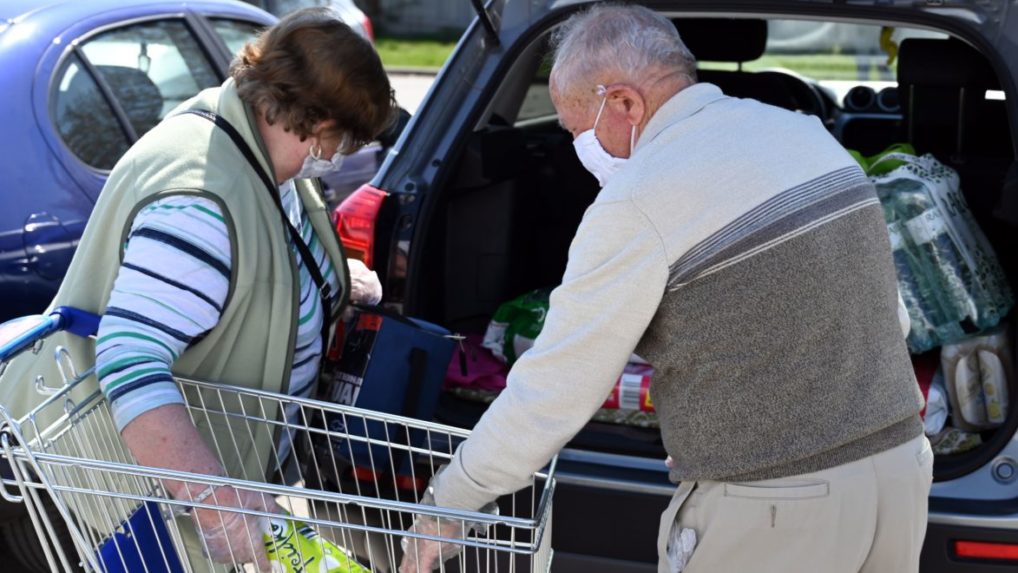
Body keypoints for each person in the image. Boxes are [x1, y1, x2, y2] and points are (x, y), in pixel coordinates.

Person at [400, 4, 931, 573]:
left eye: (578, 128)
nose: (581, 148)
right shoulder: (804, 135)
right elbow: (889, 316)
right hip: (901, 470)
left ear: (625, 102)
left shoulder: (638, 201)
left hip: (777, 504)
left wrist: (447, 502)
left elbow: (555, 389)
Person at [0, 7, 395, 571]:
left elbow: (261, 261)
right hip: (113, 509)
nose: (342, 157)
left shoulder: (255, 150)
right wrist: (218, 505)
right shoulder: (200, 201)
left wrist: (333, 286)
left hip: (175, 496)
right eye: (347, 140)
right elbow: (130, 360)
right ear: (317, 125)